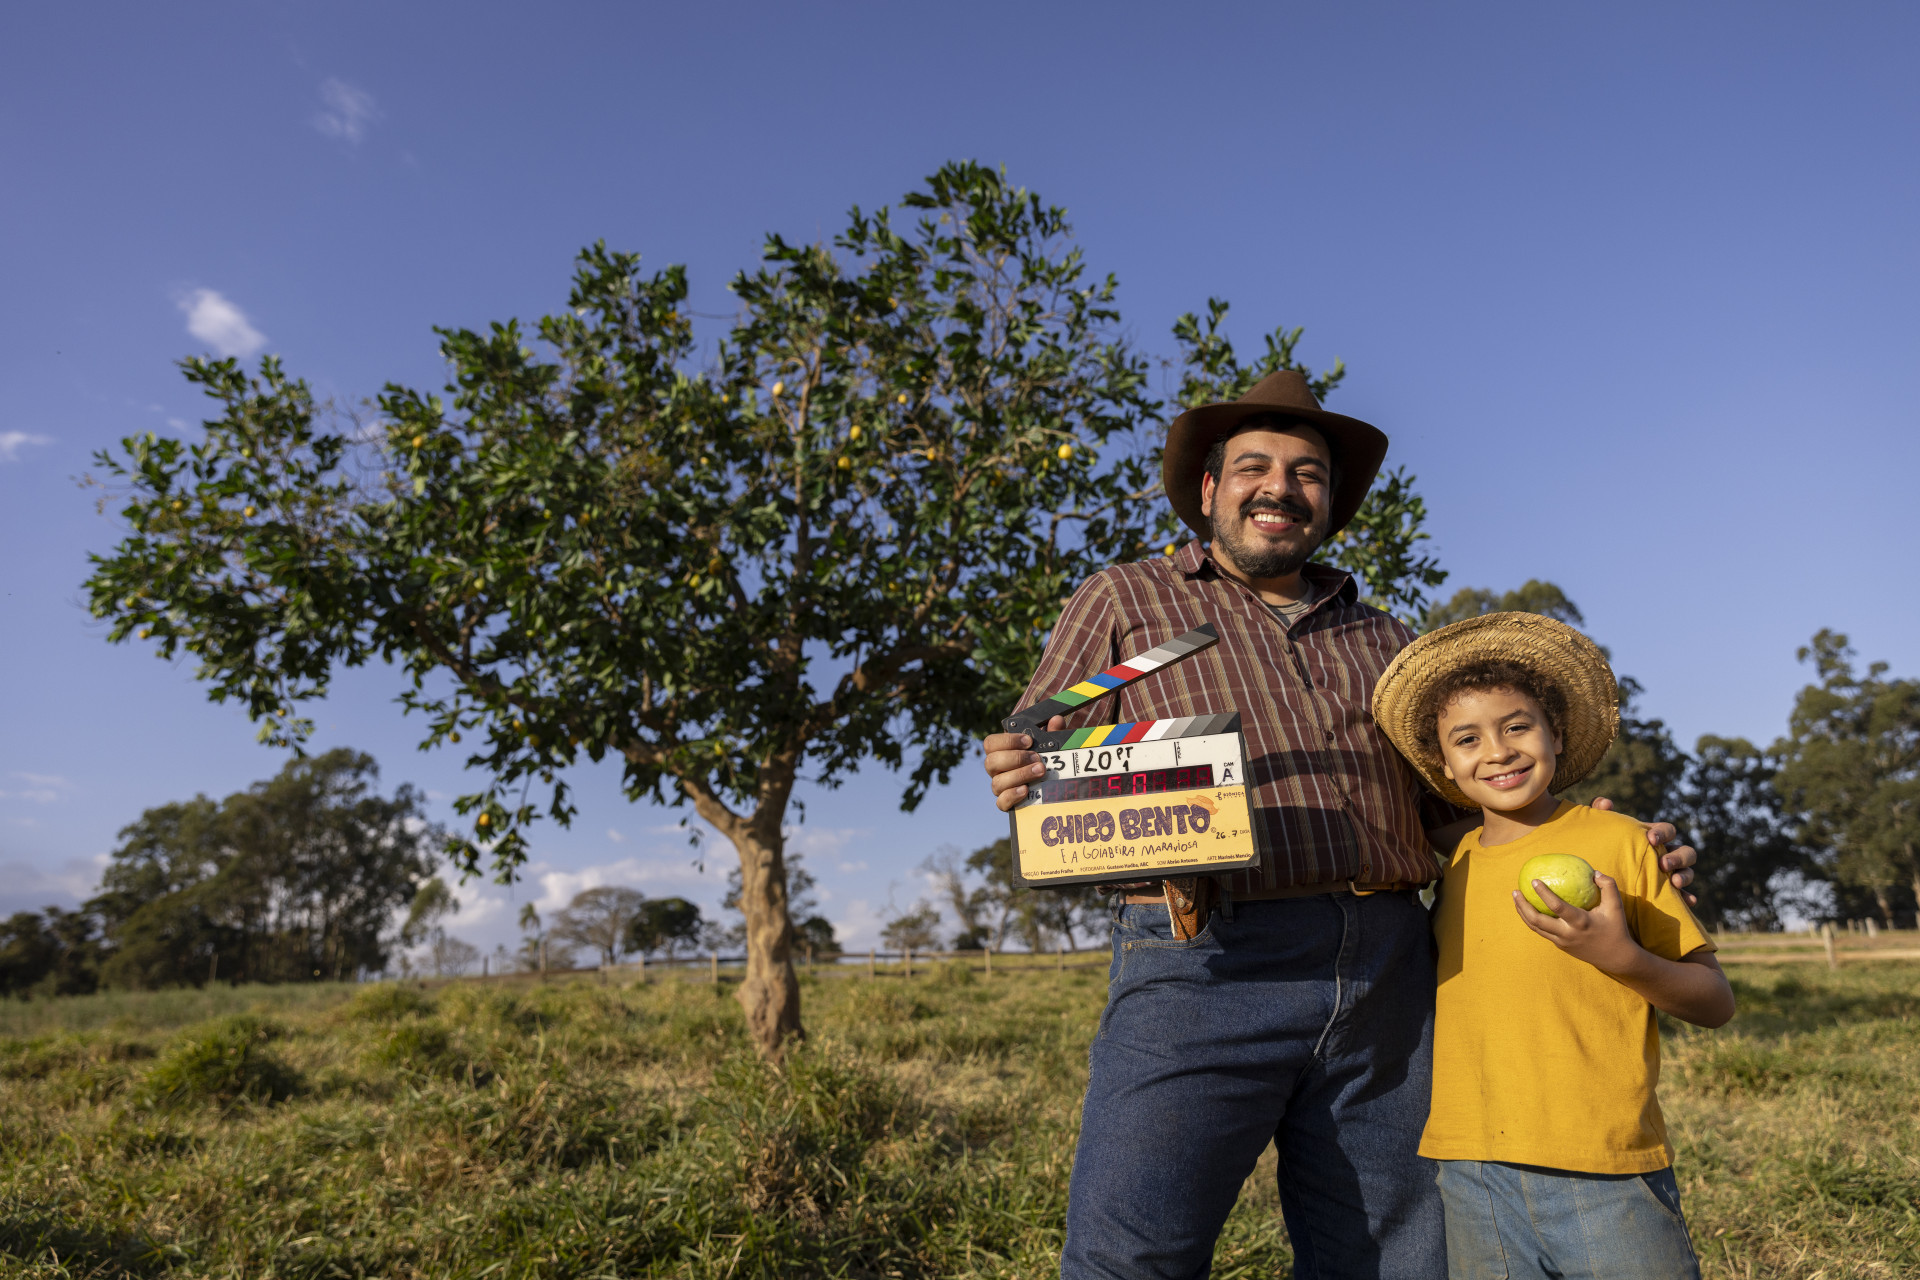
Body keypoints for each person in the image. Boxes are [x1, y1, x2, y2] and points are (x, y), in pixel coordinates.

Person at [980, 369, 1699, 1280]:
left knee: (1394, 1256)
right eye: (1254, 466)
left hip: (1387, 972)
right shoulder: (1128, 602)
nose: (1280, 486)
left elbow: (1459, 815)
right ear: (1210, 489)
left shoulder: (1387, 641)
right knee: (1134, 1254)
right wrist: (1018, 765)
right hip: (1202, 960)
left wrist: (1594, 845)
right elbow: (1041, 749)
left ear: (1330, 501)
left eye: (1307, 472)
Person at [1369, 612, 1732, 1279]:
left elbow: (1714, 1000)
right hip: (1471, 1168)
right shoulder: (1451, 865)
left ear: (1556, 735)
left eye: (1517, 726)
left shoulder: (1619, 842)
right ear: (1444, 767)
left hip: (1603, 1165)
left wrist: (1621, 958)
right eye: (1467, 739)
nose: (1498, 751)